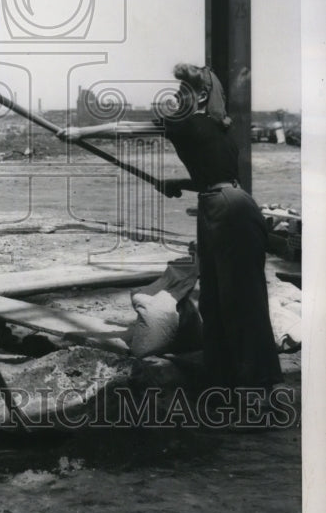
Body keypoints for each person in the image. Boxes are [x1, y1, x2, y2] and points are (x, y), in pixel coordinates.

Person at [58, 63, 282, 400]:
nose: (175, 98)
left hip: (229, 212)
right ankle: (223, 383)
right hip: (221, 206)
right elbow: (217, 175)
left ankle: (260, 394)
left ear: (202, 96)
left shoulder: (187, 122)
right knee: (214, 300)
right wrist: (179, 182)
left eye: (182, 93)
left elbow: (127, 128)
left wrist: (81, 133)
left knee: (241, 302)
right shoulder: (214, 129)